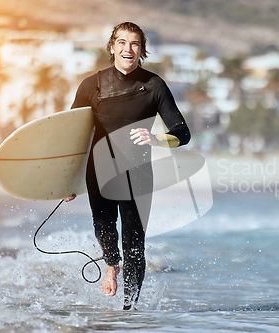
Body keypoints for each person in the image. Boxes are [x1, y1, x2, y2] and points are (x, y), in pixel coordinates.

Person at [67, 22, 190, 310]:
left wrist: (157, 139)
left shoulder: (153, 85)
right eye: (122, 43)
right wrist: (67, 181)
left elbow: (182, 133)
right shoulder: (92, 85)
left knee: (135, 243)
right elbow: (72, 135)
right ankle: (111, 265)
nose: (128, 49)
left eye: (134, 44)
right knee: (104, 227)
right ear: (112, 47)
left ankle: (129, 308)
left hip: (137, 172)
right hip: (99, 169)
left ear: (141, 50)